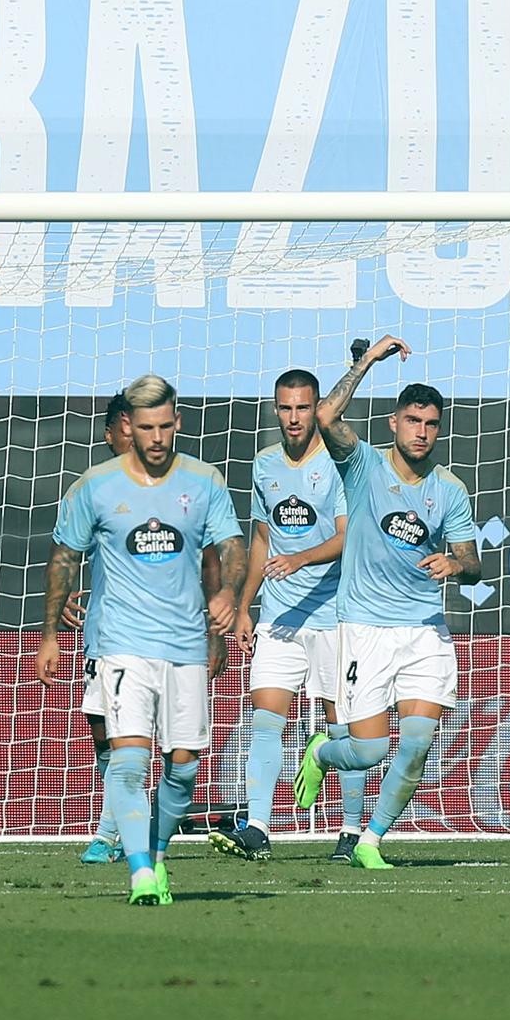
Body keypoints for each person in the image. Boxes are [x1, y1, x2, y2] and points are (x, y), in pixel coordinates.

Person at [36, 376, 244, 905]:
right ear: (127, 426)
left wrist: (228, 596)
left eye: (165, 426)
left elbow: (230, 546)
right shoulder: (96, 485)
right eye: (146, 427)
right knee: (128, 759)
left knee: (184, 767)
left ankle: (154, 851)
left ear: (178, 422)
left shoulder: (204, 482)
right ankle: (139, 872)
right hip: (121, 643)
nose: (156, 437)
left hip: (185, 645)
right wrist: (51, 634)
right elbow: (63, 557)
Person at [292, 336, 483, 869]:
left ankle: (371, 840)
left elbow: (473, 562)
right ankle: (322, 751)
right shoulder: (363, 467)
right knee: (369, 751)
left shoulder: (449, 489)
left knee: (418, 742)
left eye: (431, 423)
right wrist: (368, 360)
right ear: (393, 424)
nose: (422, 432)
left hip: (424, 629)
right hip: (366, 627)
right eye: (412, 421)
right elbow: (326, 414)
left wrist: (456, 563)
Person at [209, 368, 362, 863]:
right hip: (279, 616)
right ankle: (257, 827)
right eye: (285, 408)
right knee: (265, 720)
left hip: (333, 615)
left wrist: (300, 559)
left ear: (315, 409)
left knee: (344, 730)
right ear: (276, 409)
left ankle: (351, 831)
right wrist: (245, 606)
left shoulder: (338, 465)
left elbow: (346, 538)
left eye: (302, 408)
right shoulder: (264, 464)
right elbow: (260, 540)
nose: (294, 418)